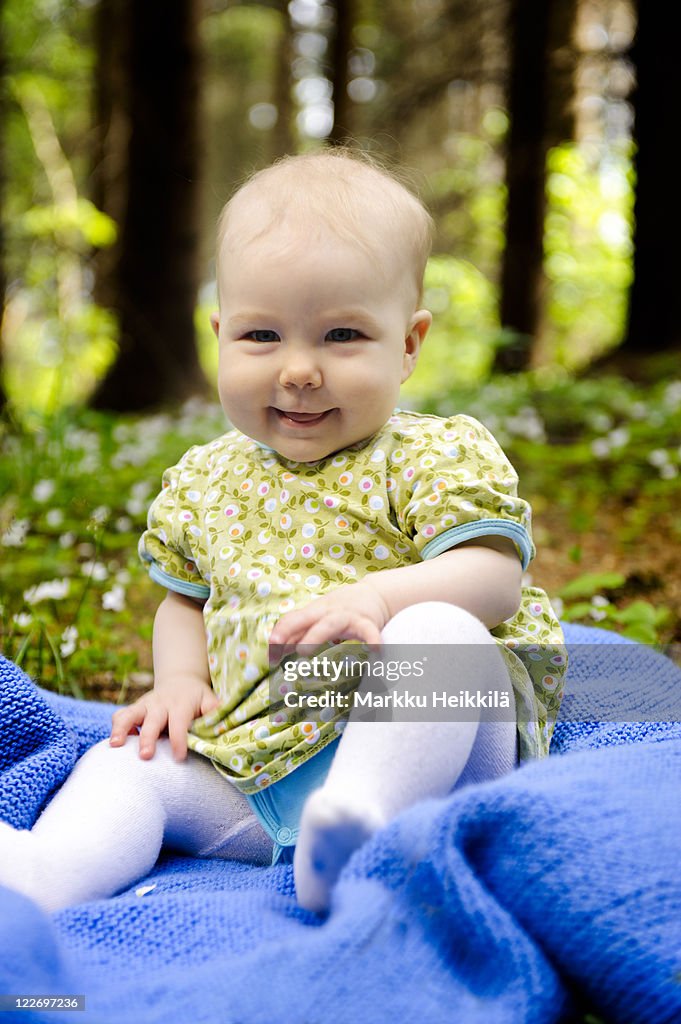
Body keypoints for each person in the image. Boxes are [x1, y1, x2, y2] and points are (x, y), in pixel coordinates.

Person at [0, 150, 565, 914]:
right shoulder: (204, 480)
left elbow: (494, 580)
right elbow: (184, 604)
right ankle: (49, 871)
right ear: (219, 333)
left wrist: (381, 599)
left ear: (407, 343)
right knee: (122, 765)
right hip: (251, 768)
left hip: (431, 751)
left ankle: (364, 829)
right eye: (261, 336)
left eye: (340, 336)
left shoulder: (430, 453)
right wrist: (179, 683)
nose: (297, 369)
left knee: (443, 632)